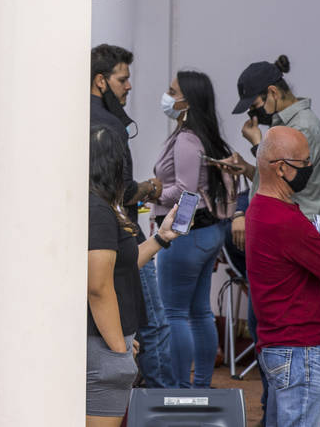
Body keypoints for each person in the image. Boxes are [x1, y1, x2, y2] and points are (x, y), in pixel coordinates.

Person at [247, 127, 320, 427]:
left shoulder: (258, 208)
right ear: (281, 168)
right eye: (305, 163)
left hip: (281, 345)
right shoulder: (286, 221)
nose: (310, 169)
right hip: (302, 350)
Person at [87, 125, 184, 426]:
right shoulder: (98, 211)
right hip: (102, 351)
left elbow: (121, 267)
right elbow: (98, 287)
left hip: (104, 344)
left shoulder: (99, 207)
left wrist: (161, 238)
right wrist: (119, 349)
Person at [150, 69, 238, 389]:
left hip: (188, 235)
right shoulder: (206, 136)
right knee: (199, 311)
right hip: (208, 231)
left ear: (188, 100)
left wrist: (153, 191)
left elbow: (185, 191)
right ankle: (200, 387)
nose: (167, 97)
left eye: (173, 92)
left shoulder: (187, 139)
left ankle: (178, 389)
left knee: (174, 313)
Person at [89, 44, 171, 388]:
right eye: (123, 79)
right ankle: (161, 409)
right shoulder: (110, 127)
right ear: (100, 82)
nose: (129, 86)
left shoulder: (67, 117)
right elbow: (121, 192)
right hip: (119, 237)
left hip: (97, 242)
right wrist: (151, 188)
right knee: (154, 325)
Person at [224, 55, 320, 237]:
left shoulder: (302, 127)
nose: (253, 113)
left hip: (299, 231)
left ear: (273, 92)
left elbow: (287, 180)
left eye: (255, 105)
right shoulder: (281, 123)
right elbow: (268, 182)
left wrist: (258, 146)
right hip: (282, 228)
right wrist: (247, 169)